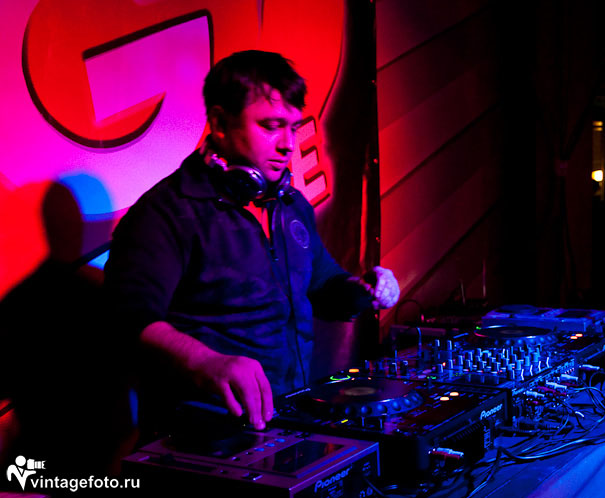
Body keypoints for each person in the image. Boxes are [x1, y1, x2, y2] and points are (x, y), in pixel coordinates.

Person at [103, 50, 399, 432]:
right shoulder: (168, 212)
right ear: (219, 123)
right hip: (200, 435)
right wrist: (205, 361)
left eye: (293, 128)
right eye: (271, 126)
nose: (287, 144)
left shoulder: (291, 206)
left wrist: (364, 290)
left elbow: (323, 286)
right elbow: (126, 317)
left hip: (288, 420)